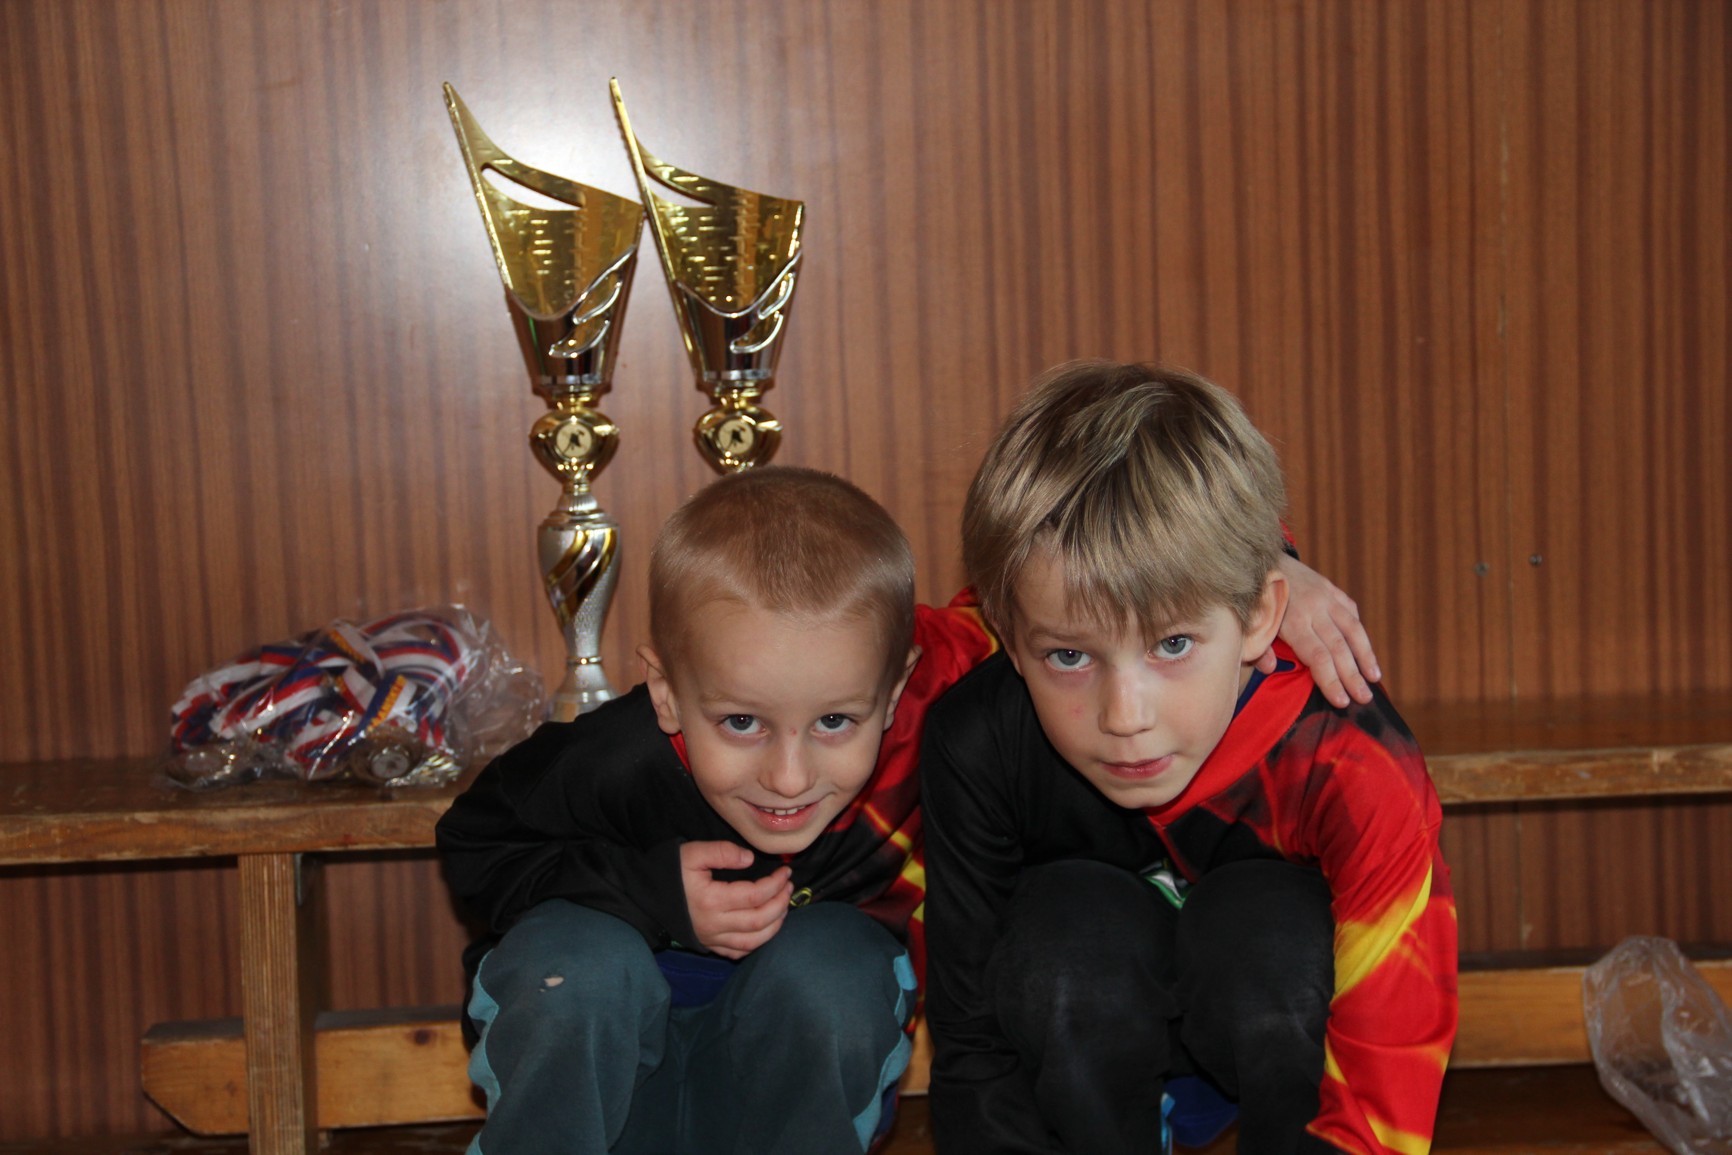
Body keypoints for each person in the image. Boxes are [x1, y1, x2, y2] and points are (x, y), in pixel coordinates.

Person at [436, 464, 1382, 1155]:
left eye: (836, 721)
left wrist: (1269, 567)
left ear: (896, 690)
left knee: (836, 965)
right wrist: (647, 893)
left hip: (781, 1059)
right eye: (741, 722)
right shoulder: (619, 751)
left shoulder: (943, 688)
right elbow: (476, 843)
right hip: (603, 1054)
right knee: (579, 964)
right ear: (667, 693)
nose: (789, 775)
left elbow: (1069, 574)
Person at [921, 362, 1456, 1155]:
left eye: (1172, 645)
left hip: (1254, 1003)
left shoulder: (1349, 755)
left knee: (1275, 942)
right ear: (1008, 632)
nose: (1126, 716)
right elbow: (972, 1038)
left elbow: (1390, 1049)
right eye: (1070, 656)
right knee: (1060, 941)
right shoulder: (975, 736)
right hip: (1088, 1028)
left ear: (1260, 616)